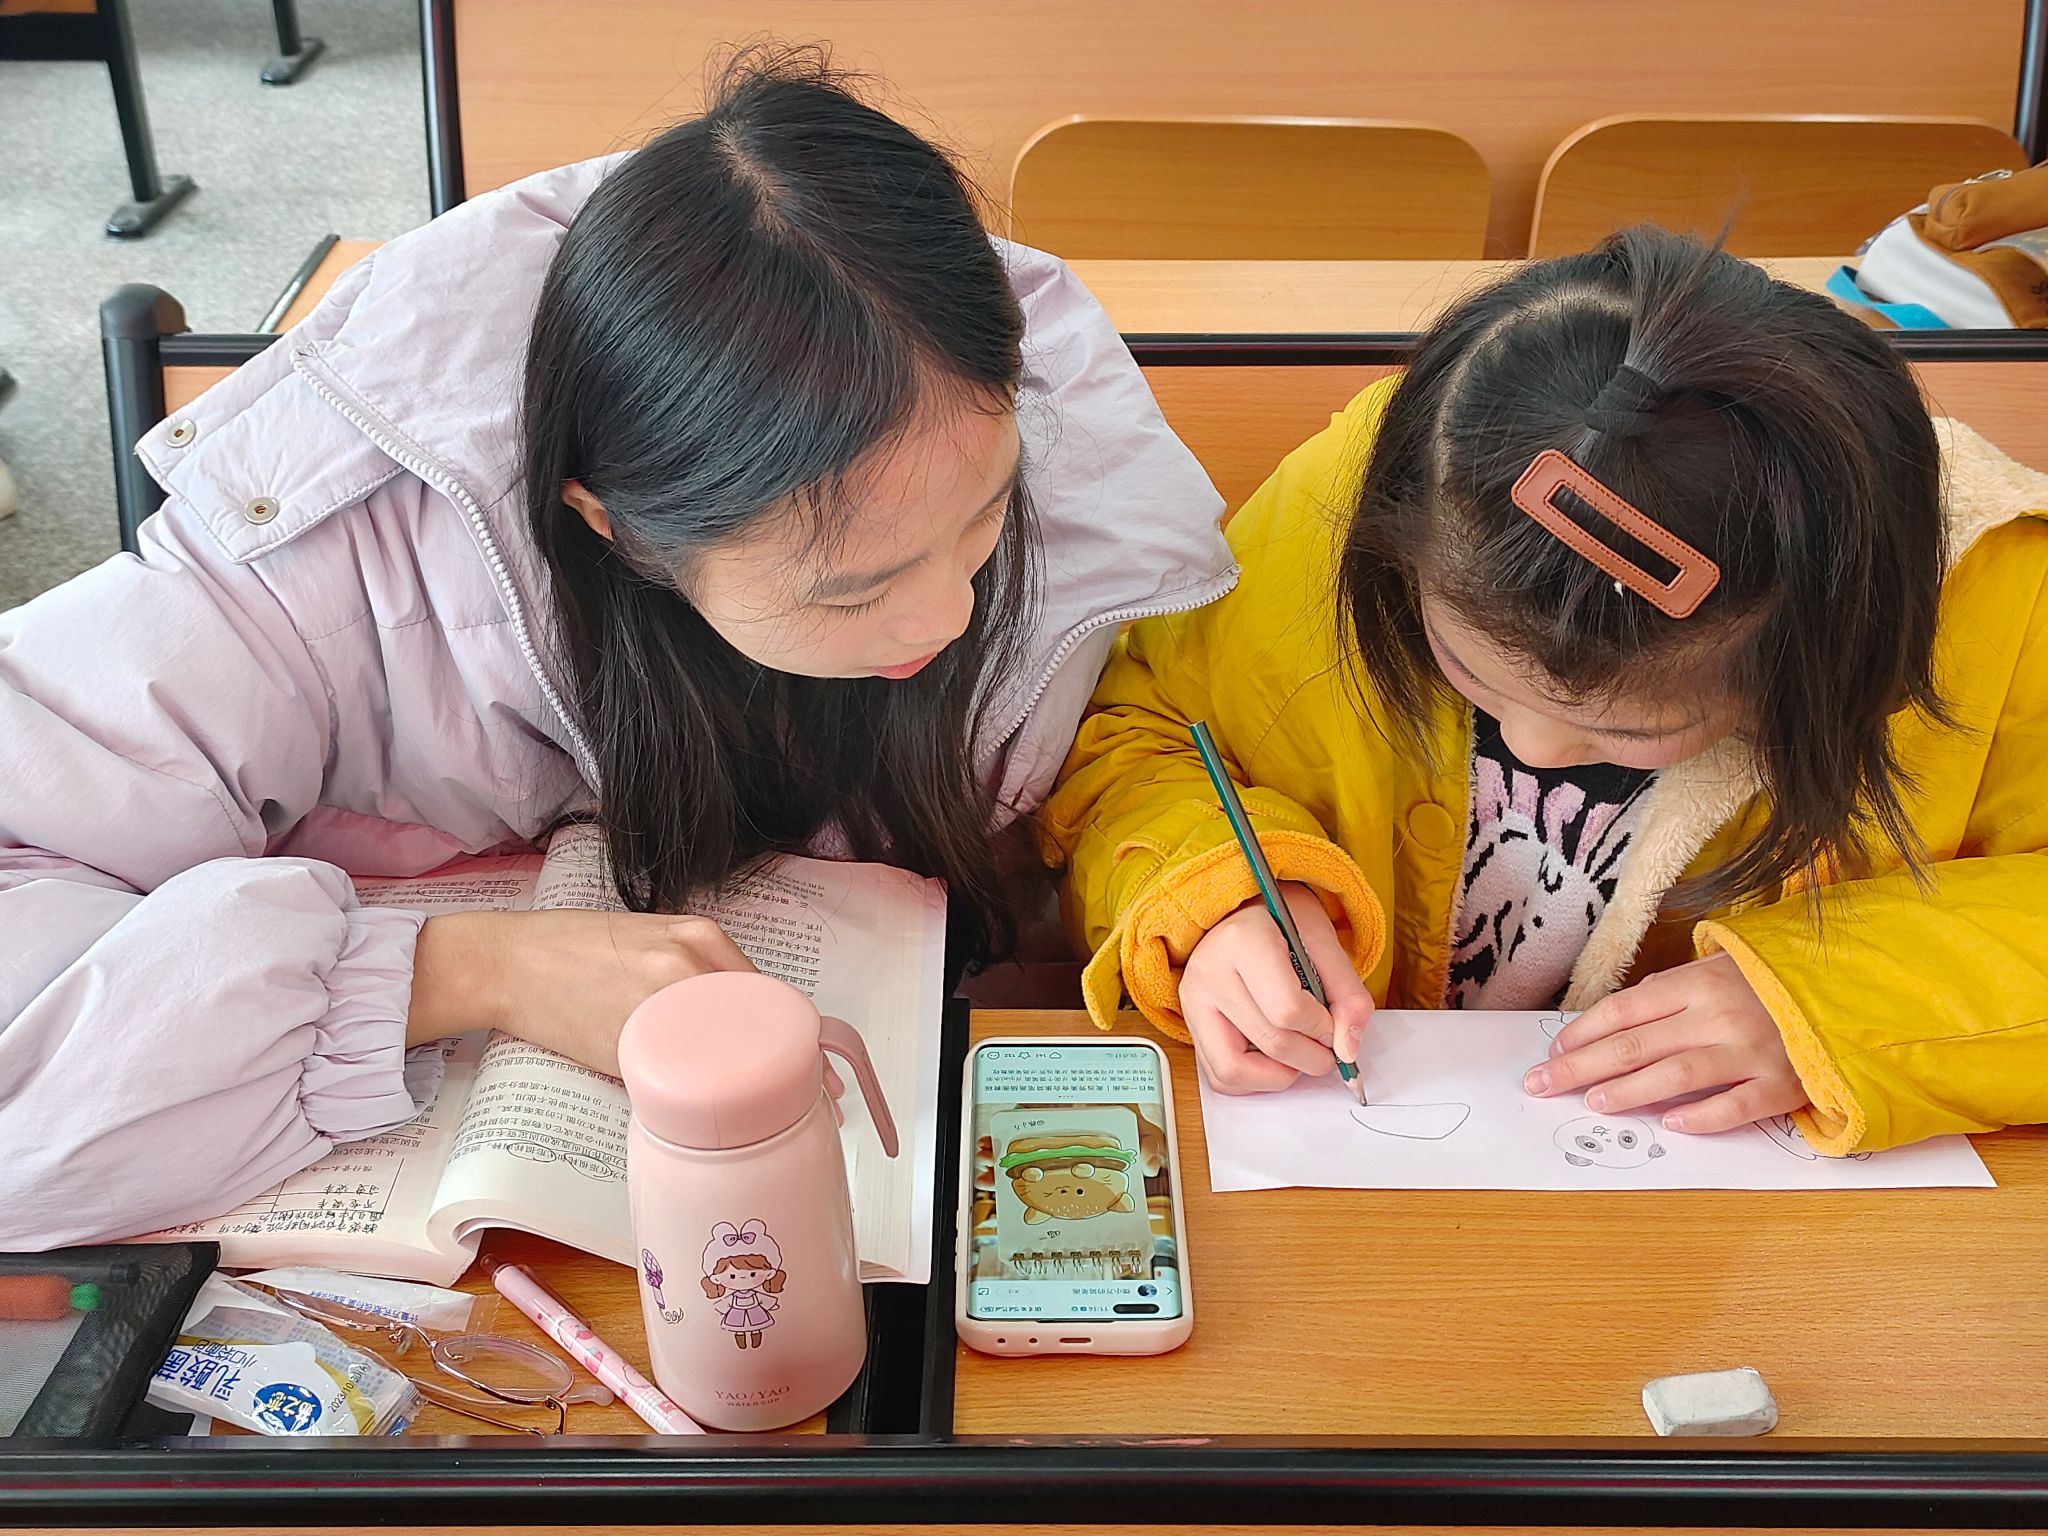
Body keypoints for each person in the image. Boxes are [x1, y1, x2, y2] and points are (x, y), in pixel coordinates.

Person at [0, 54, 1232, 1247]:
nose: (947, 616)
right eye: (850, 590)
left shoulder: (1070, 471)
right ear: (610, 521)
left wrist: (1209, 899)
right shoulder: (326, 562)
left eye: (981, 517)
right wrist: (445, 976)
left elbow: (1134, 763)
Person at [1043, 227, 2048, 1154]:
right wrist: (1215, 897)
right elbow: (1138, 730)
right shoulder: (1384, 492)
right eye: (1471, 671)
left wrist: (1838, 1005)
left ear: (1824, 662)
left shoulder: (1999, 608)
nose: (1531, 748)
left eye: (1625, 730)